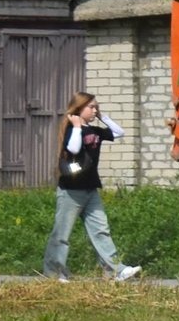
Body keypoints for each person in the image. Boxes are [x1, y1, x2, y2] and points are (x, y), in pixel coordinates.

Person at [42, 92, 141, 283]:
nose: (94, 110)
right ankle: (54, 273)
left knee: (101, 230)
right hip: (71, 191)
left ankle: (115, 271)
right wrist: (78, 126)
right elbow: (73, 149)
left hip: (90, 189)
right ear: (79, 109)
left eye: (96, 107)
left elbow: (120, 132)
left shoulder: (95, 131)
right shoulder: (72, 129)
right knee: (62, 234)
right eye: (91, 107)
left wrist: (103, 117)